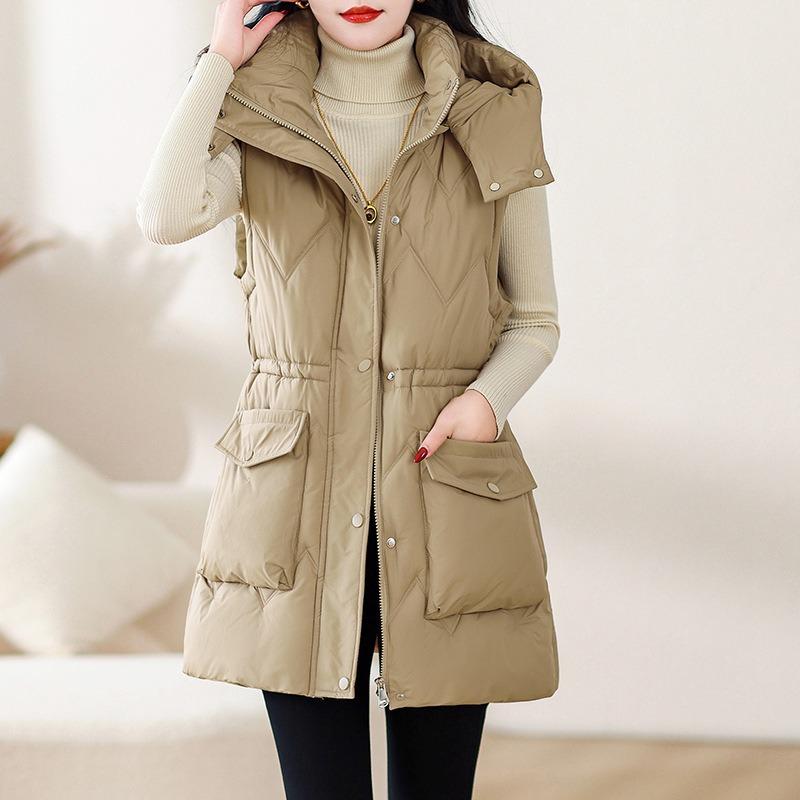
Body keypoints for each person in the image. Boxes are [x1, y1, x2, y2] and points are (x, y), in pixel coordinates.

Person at [137, 1, 560, 798]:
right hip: (291, 510)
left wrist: (484, 403)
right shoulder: (258, 112)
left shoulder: (491, 110)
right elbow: (163, 215)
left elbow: (535, 320)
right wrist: (220, 61)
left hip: (447, 499)